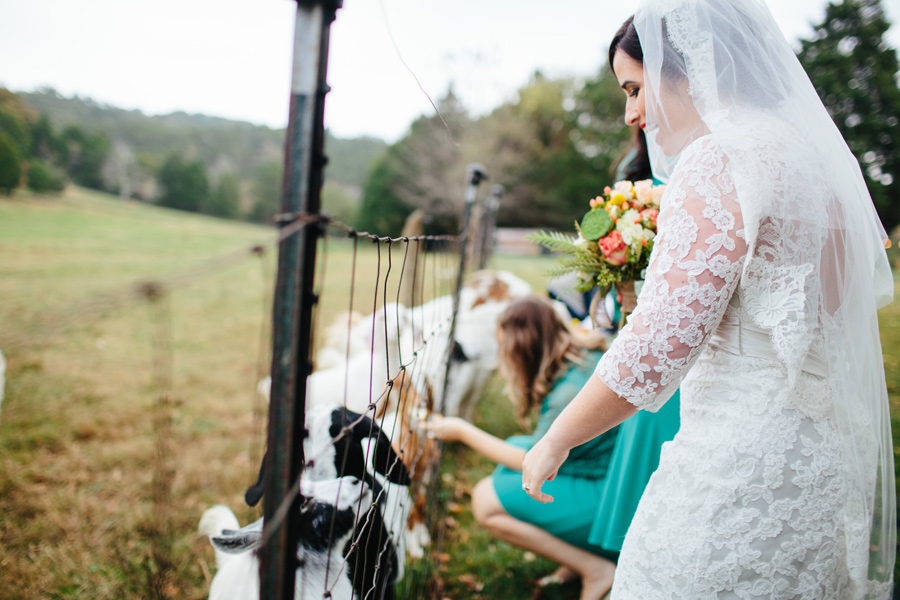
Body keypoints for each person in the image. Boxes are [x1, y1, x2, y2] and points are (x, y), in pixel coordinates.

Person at [522, 1, 896, 598]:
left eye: (636, 88)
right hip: (819, 459)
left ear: (685, 69)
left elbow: (661, 341)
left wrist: (557, 438)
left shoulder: (720, 157)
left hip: (738, 462)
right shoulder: (818, 162)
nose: (631, 113)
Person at [425, 296, 675, 600]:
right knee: (512, 449)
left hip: (610, 497)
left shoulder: (568, 392)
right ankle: (573, 561)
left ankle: (596, 568)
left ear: (521, 349)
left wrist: (462, 431)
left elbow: (530, 459)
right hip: (619, 478)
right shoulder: (583, 361)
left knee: (485, 499)